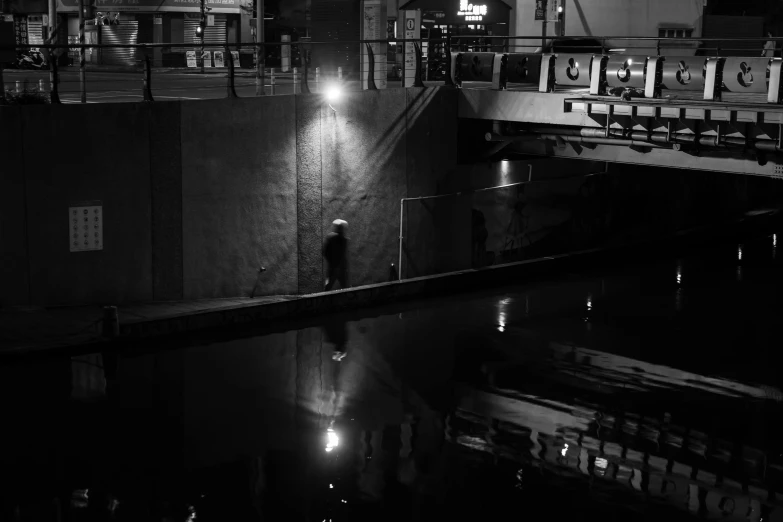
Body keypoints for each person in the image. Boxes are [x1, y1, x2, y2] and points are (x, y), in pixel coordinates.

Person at [323, 219, 349, 291]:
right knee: (345, 287)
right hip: (339, 268)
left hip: (334, 267)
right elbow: (343, 255)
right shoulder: (344, 239)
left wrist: (332, 263)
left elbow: (325, 252)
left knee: (328, 287)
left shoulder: (331, 237)